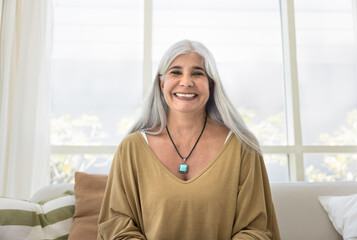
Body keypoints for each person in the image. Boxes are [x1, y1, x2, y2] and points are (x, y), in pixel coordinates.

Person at [97, 40, 281, 240]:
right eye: (175, 72)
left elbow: (256, 229)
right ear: (162, 83)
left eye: (197, 73)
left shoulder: (242, 146)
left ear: (211, 85)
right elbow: (117, 226)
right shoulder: (131, 148)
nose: (186, 82)